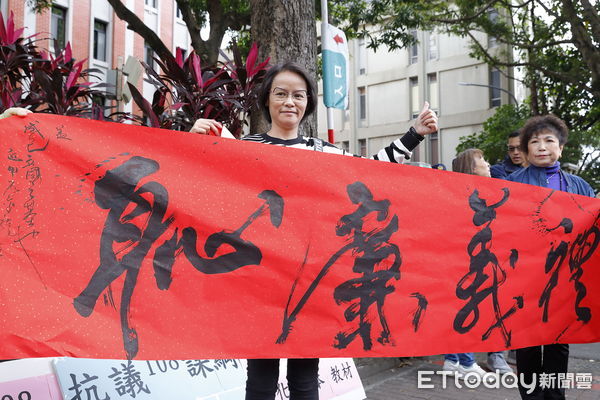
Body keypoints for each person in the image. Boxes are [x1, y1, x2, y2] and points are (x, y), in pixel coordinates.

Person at [190, 61, 438, 400]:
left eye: (298, 95)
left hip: (310, 282)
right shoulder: (241, 148)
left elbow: (372, 172)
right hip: (259, 282)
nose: (289, 102)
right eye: (280, 94)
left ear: (307, 102)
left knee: (305, 380)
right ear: (267, 100)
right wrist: (194, 143)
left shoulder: (324, 153)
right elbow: (199, 187)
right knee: (260, 380)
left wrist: (414, 134)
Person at [508, 115, 595, 400]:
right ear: (525, 148)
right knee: (528, 342)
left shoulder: (580, 186)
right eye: (534, 141)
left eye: (549, 141)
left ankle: (555, 396)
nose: (542, 147)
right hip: (527, 279)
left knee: (559, 342)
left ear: (561, 147)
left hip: (566, 280)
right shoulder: (512, 184)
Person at [448, 149, 514, 377]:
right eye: (482, 161)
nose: (488, 164)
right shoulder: (474, 195)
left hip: (470, 260)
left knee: (463, 308)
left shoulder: (465, 192)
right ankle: (466, 362)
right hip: (471, 261)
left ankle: (454, 359)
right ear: (472, 168)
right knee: (470, 307)